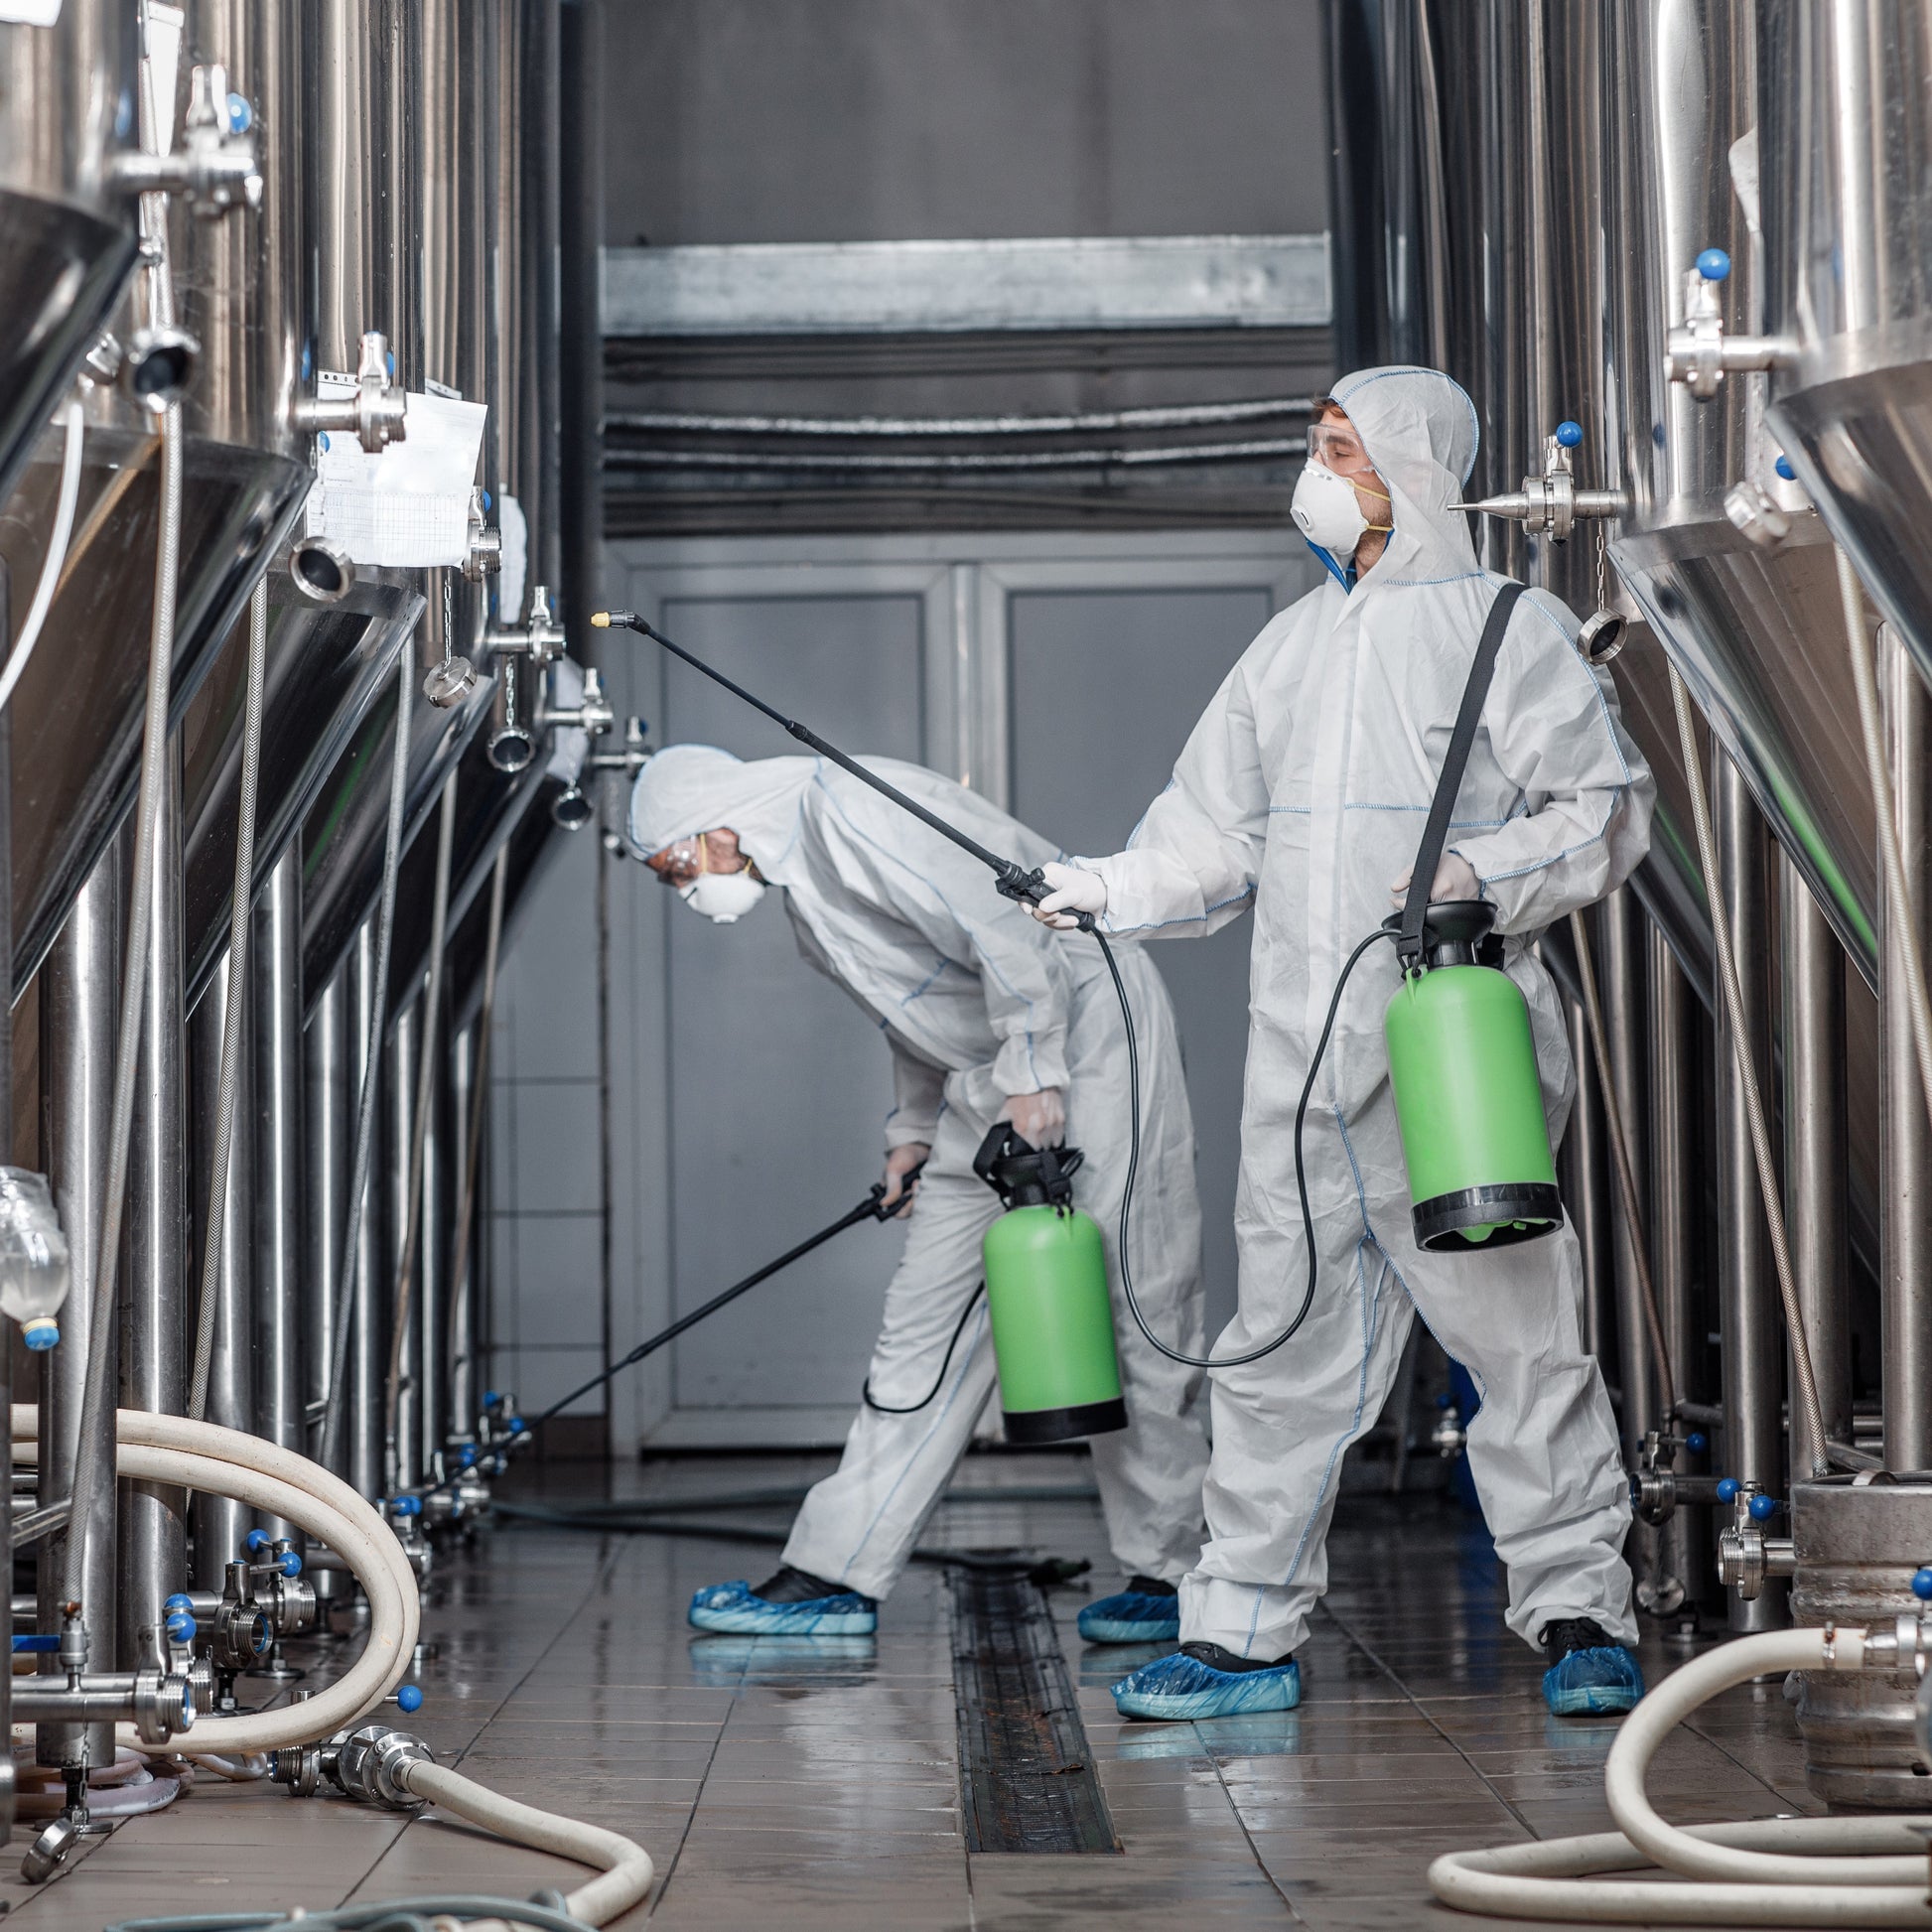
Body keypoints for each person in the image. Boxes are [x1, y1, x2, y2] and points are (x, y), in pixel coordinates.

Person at [1029, 365, 1656, 1723]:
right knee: (1276, 1351)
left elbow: (1600, 811)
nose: (1315, 470)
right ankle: (1241, 1628)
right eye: (1315, 444)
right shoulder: (1290, 648)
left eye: (1338, 447)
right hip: (1298, 1063)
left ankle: (1578, 1614)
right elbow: (1210, 832)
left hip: (1452, 1052)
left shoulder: (1508, 628)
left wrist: (1477, 871)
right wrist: (1111, 887)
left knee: (1516, 1342)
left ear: (1409, 469)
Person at [627, 745, 1212, 1645]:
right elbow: (917, 1010)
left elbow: (1004, 921)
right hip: (995, 1073)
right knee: (921, 1330)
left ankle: (1171, 1573)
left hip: (1088, 1042)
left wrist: (1033, 1067)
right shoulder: (809, 901)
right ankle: (834, 1573)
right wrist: (911, 1131)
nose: (683, 889)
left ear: (715, 827)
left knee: (1134, 1301)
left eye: (676, 865)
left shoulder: (854, 810)